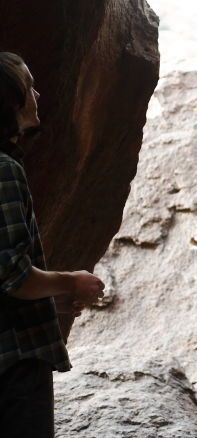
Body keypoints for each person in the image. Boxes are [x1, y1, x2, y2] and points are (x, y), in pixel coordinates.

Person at [0, 52, 106, 438]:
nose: (38, 94)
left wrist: (49, 296)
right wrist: (70, 283)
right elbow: (11, 273)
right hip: (14, 362)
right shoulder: (4, 170)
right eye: (28, 86)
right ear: (10, 102)